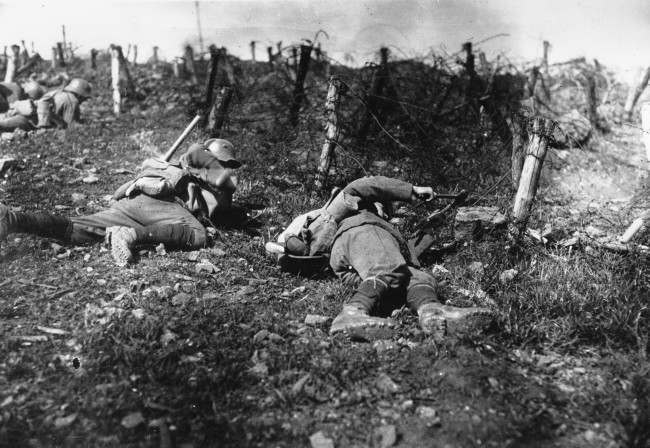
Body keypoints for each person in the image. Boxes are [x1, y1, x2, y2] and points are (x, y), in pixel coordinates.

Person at [269, 176, 491, 341]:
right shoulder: (358, 213)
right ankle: (351, 313)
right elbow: (365, 184)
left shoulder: (347, 226)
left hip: (352, 267)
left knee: (414, 277)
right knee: (387, 267)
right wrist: (410, 191)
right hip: (362, 236)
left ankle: (432, 311)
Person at [0, 139, 242, 267]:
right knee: (197, 236)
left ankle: (12, 219)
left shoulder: (197, 169)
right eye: (227, 163)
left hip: (134, 201)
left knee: (74, 228)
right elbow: (224, 182)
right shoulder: (204, 163)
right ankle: (130, 236)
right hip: (161, 205)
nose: (230, 169)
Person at [0, 78, 91, 132]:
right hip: (31, 122)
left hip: (25, 115)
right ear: (80, 94)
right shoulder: (72, 101)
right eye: (84, 98)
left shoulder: (56, 92)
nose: (83, 101)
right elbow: (71, 128)